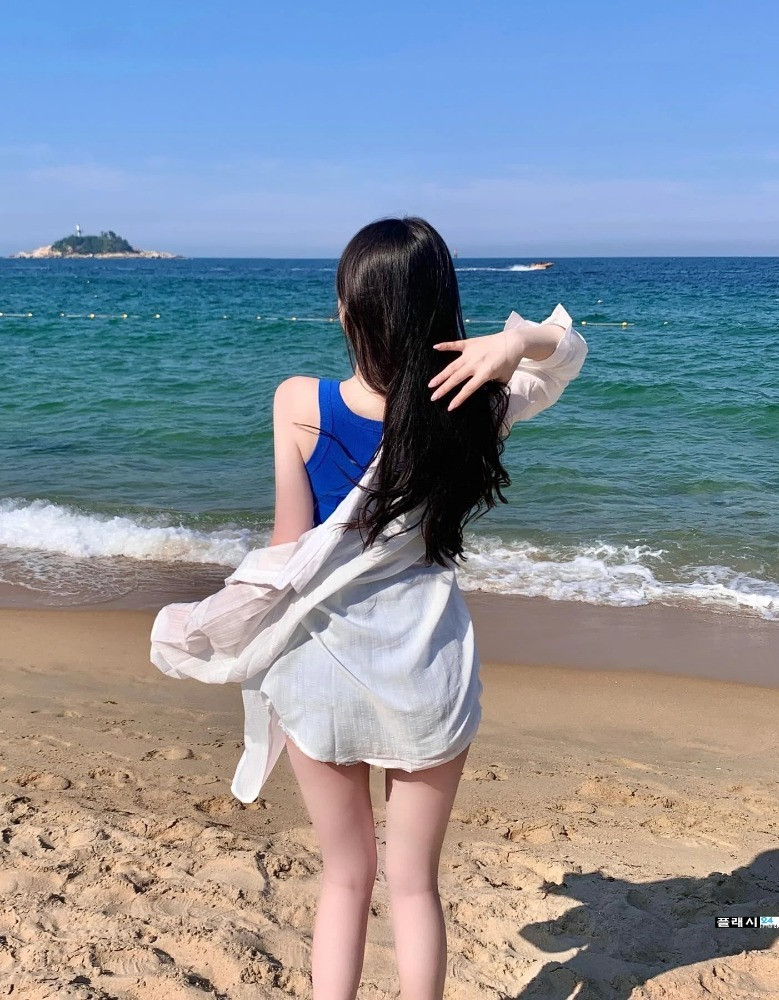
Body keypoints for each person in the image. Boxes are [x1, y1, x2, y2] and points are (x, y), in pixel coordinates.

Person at [150, 216, 587, 999]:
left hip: (319, 669)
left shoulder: (299, 402)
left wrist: (209, 624)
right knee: (415, 887)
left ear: (349, 312)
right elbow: (570, 355)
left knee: (345, 879)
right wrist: (516, 342)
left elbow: (287, 554)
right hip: (426, 670)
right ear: (443, 310)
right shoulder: (477, 403)